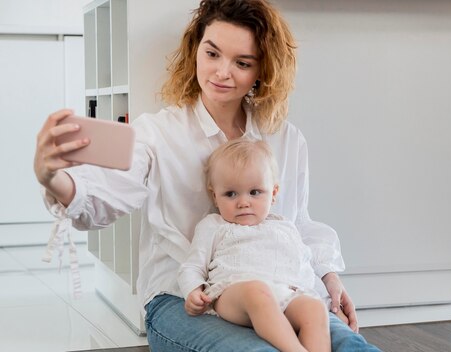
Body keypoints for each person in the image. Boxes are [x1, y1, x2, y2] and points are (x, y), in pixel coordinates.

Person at [33, 0, 380, 350]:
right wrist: (52, 177)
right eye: (212, 54)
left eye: (241, 63)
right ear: (195, 50)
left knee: (355, 347)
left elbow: (296, 223)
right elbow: (102, 201)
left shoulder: (285, 138)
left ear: (263, 70)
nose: (221, 72)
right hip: (182, 299)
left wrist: (329, 278)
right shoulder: (157, 133)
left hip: (283, 292)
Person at [179, 138, 334, 352]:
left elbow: (304, 264)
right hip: (234, 294)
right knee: (256, 290)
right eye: (231, 194)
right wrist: (193, 291)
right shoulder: (214, 225)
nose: (243, 202)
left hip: (284, 293)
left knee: (315, 309)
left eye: (254, 192)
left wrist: (324, 294)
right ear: (215, 196)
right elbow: (192, 266)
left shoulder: (284, 226)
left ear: (274, 194)